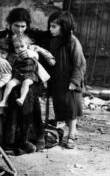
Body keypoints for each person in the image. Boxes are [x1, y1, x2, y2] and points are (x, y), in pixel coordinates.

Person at [0, 7, 55, 153]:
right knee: (16, 93)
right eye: (16, 26)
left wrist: (34, 52)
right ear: (9, 24)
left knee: (27, 94)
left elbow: (45, 57)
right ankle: (15, 140)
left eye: (23, 26)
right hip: (9, 77)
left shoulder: (32, 36)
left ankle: (32, 137)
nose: (20, 30)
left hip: (31, 77)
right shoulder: (2, 36)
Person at [35, 10, 86, 149]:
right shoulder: (53, 40)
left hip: (69, 81)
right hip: (58, 80)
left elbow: (79, 63)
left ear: (63, 27)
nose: (50, 29)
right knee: (62, 108)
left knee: (71, 109)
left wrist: (74, 82)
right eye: (50, 26)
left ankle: (72, 134)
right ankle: (70, 131)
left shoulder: (72, 41)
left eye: (54, 27)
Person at [0, 34, 49, 108]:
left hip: (30, 76)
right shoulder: (13, 56)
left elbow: (38, 57)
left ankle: (22, 98)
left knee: (26, 83)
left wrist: (34, 54)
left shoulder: (30, 52)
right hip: (18, 75)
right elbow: (9, 64)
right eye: (17, 47)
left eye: (22, 46)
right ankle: (4, 101)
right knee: (10, 84)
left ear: (27, 46)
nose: (20, 49)